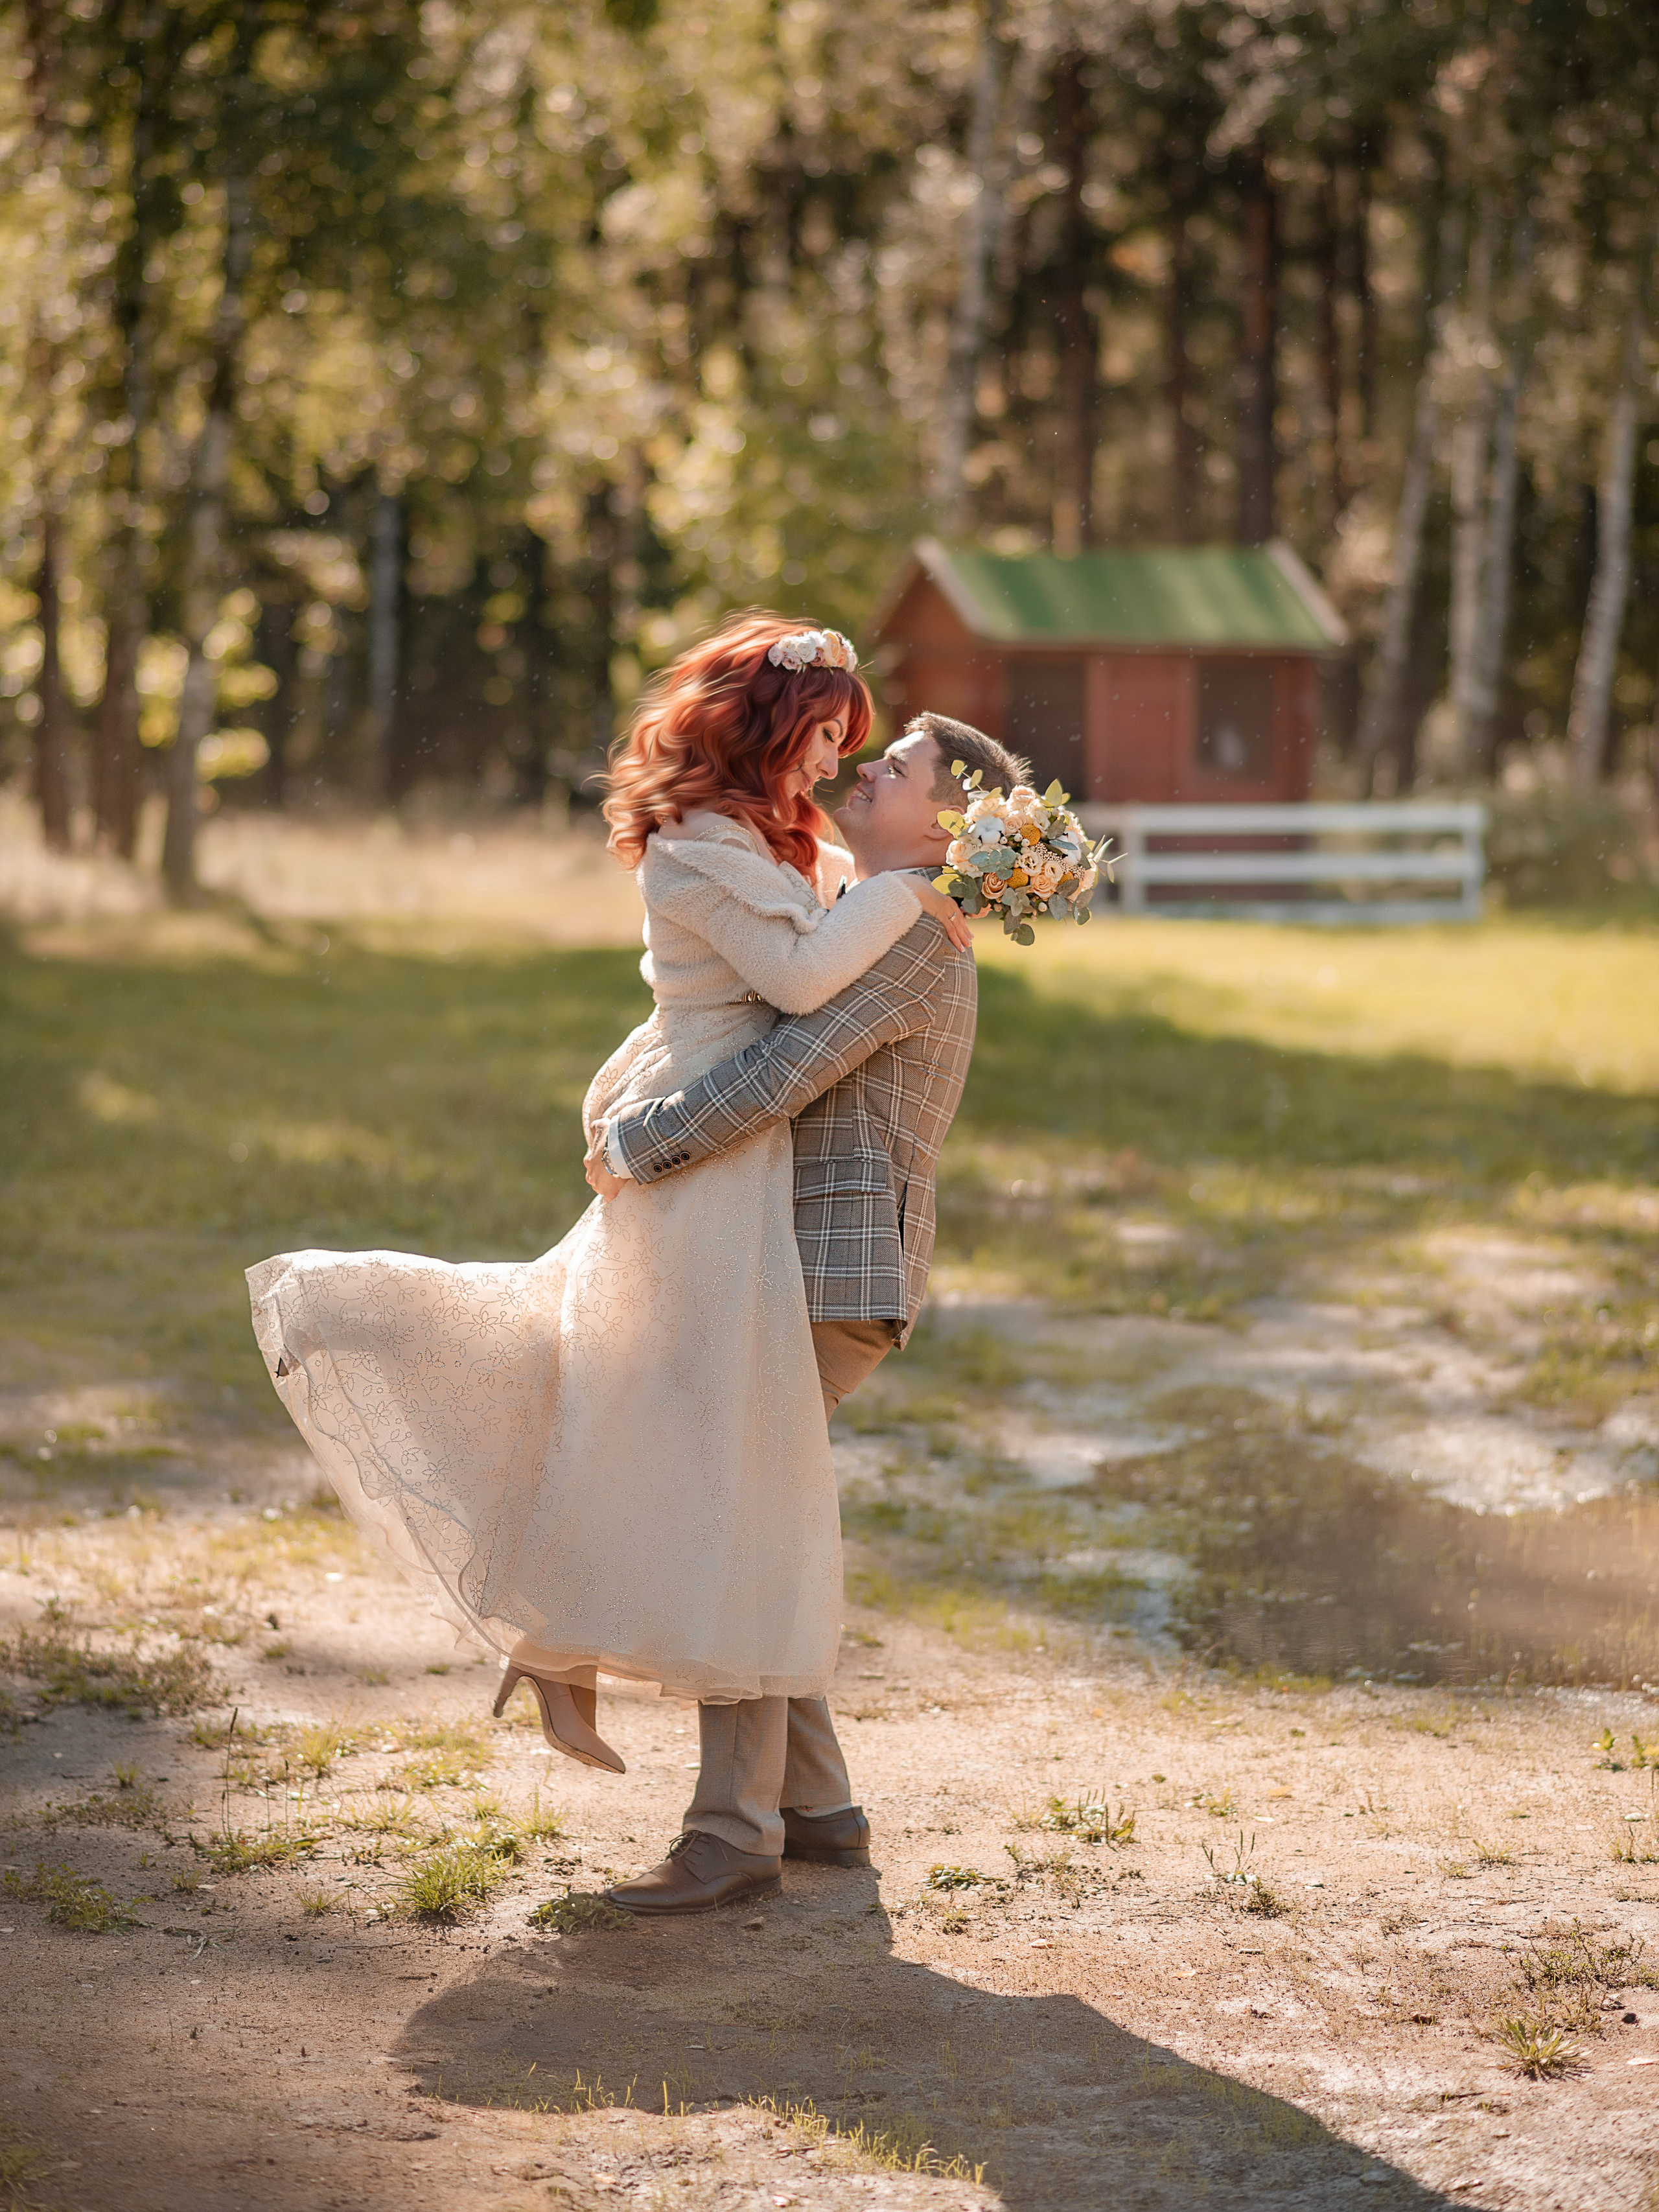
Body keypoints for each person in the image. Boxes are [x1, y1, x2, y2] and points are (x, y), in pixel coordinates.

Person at [246, 613, 968, 1774]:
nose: (837, 765)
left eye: (853, 745)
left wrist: (913, 885)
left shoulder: (782, 838)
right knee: (671, 1435)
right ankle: (542, 1613)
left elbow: (798, 951)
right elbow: (793, 977)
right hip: (710, 1134)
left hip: (737, 1143)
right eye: (826, 736)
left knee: (664, 1429)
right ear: (769, 724)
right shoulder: (699, 839)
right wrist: (922, 893)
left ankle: (588, 1661)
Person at [586, 712, 1032, 1916]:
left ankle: (734, 1830)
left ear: (947, 827)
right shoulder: (872, 917)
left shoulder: (911, 940)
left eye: (896, 770)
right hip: (812, 1269)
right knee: (756, 1505)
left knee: (729, 1519)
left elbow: (784, 1067)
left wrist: (639, 1143)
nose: (866, 771)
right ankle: (818, 1806)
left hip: (834, 1275)